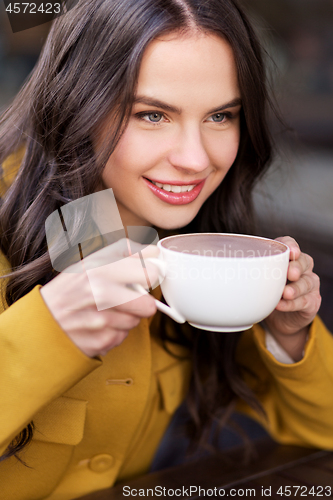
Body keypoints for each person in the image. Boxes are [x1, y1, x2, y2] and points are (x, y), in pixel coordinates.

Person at [0, 0, 332, 498]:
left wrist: (289, 336)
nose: (196, 159)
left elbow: (321, 434)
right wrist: (45, 332)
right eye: (152, 114)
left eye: (221, 116)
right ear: (76, 105)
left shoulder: (187, 243)